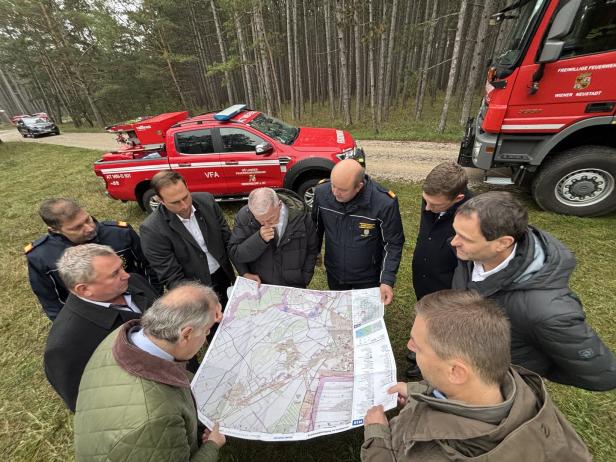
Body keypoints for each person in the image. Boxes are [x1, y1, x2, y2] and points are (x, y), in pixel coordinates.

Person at [361, 290, 592, 462]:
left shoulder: (438, 454)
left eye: (418, 346)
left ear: (456, 372)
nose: (409, 346)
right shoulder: (514, 388)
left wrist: (377, 435)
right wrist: (418, 391)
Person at [451, 191, 616, 391]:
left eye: (465, 238)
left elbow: (602, 374)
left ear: (503, 243)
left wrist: (531, 371)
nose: (453, 242)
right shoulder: (473, 254)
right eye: (456, 232)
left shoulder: (547, 312)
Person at [74, 282, 225, 461]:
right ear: (186, 334)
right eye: (206, 332)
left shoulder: (120, 339)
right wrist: (212, 445)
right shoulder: (158, 419)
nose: (205, 336)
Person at [44, 244, 158, 412]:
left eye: (121, 267)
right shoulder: (65, 346)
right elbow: (88, 405)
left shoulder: (134, 282)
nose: (126, 275)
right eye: (115, 274)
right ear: (84, 289)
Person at [25, 198, 159, 321]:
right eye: (77, 227)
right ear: (54, 230)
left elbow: (148, 266)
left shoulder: (120, 233)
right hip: (92, 316)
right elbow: (52, 302)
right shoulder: (42, 257)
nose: (89, 228)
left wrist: (153, 296)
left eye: (87, 219)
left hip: (138, 300)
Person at [407, 161, 472, 379]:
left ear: (458, 199)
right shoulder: (433, 200)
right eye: (425, 201)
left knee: (442, 330)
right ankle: (418, 349)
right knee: (425, 315)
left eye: (435, 205)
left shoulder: (474, 218)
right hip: (424, 277)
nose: (427, 209)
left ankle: (428, 362)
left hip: (447, 286)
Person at [312, 159, 404, 305]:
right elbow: (315, 226)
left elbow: (392, 243)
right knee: (339, 312)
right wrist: (314, 251)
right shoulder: (322, 192)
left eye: (342, 189)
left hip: (367, 277)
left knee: (364, 317)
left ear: (359, 187)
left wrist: (386, 280)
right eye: (333, 186)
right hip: (334, 271)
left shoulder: (384, 203)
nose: (335, 193)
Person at [140, 171, 236, 306]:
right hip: (194, 290)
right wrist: (201, 302)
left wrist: (245, 272)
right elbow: (172, 277)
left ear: (187, 187)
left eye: (185, 197)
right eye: (175, 202)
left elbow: (228, 241)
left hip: (224, 275)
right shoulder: (152, 230)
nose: (184, 206)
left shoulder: (207, 201)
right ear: (160, 200)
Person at [228, 188, 319, 288]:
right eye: (260, 221)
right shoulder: (245, 216)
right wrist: (259, 239)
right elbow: (235, 253)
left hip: (294, 284)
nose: (266, 224)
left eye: (271, 218)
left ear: (279, 205)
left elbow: (312, 249)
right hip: (262, 284)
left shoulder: (301, 217)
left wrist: (304, 277)